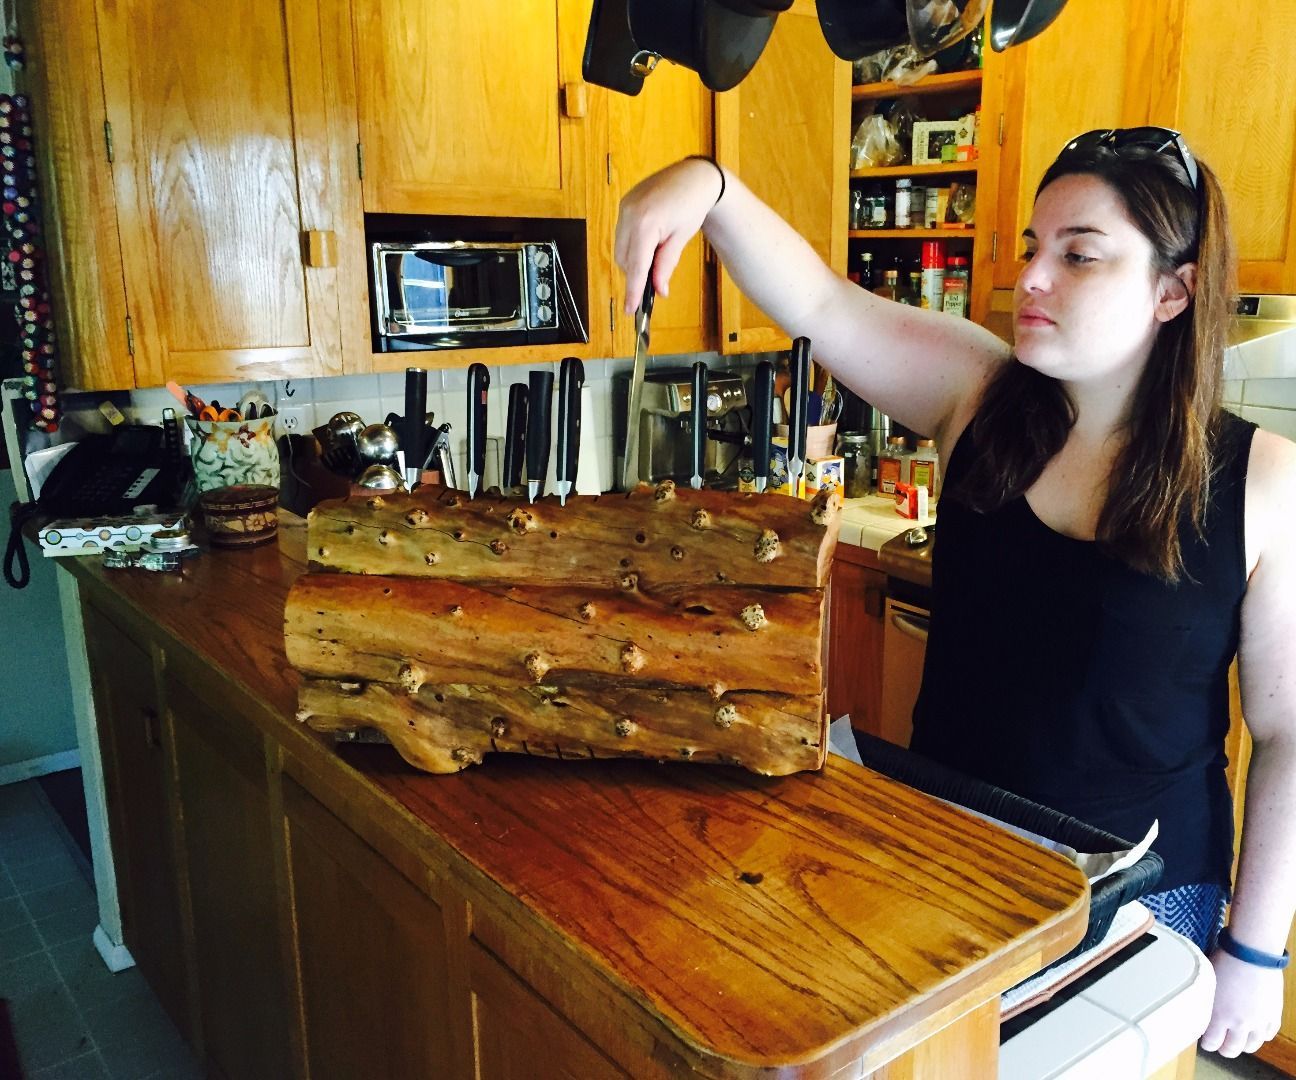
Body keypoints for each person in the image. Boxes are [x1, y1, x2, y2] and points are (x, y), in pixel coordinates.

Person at [614, 130, 1296, 1060]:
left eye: (1079, 254)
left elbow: (1290, 729)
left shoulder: (1262, 480)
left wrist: (1256, 949)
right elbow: (817, 300)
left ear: (1171, 291)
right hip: (950, 848)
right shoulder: (975, 393)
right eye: (1031, 247)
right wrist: (710, 185)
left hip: (1143, 893)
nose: (1032, 279)